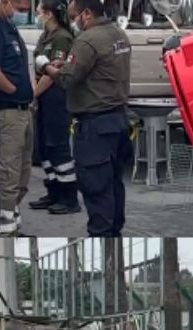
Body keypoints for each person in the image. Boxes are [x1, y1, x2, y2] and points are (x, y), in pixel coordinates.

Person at [43, 0, 132, 237]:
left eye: (74, 16)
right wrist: (68, 65)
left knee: (96, 188)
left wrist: (47, 67)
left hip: (95, 127)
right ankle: (113, 231)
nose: (74, 21)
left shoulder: (87, 40)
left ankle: (101, 234)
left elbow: (66, 80)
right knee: (114, 185)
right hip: (119, 121)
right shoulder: (118, 34)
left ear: (87, 14)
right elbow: (96, 68)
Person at [28, 0, 81, 216]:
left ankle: (69, 197)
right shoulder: (46, 36)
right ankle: (54, 191)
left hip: (56, 98)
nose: (38, 13)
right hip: (44, 98)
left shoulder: (62, 38)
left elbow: (52, 76)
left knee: (58, 147)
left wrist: (32, 95)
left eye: (40, 10)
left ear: (49, 14)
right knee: (45, 147)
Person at [0, 0, 35, 235]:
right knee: (9, 170)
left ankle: (13, 217)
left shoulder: (9, 26)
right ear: (6, 2)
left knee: (23, 169)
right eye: (21, 9)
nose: (23, 14)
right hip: (8, 110)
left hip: (23, 110)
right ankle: (5, 225)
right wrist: (14, 91)